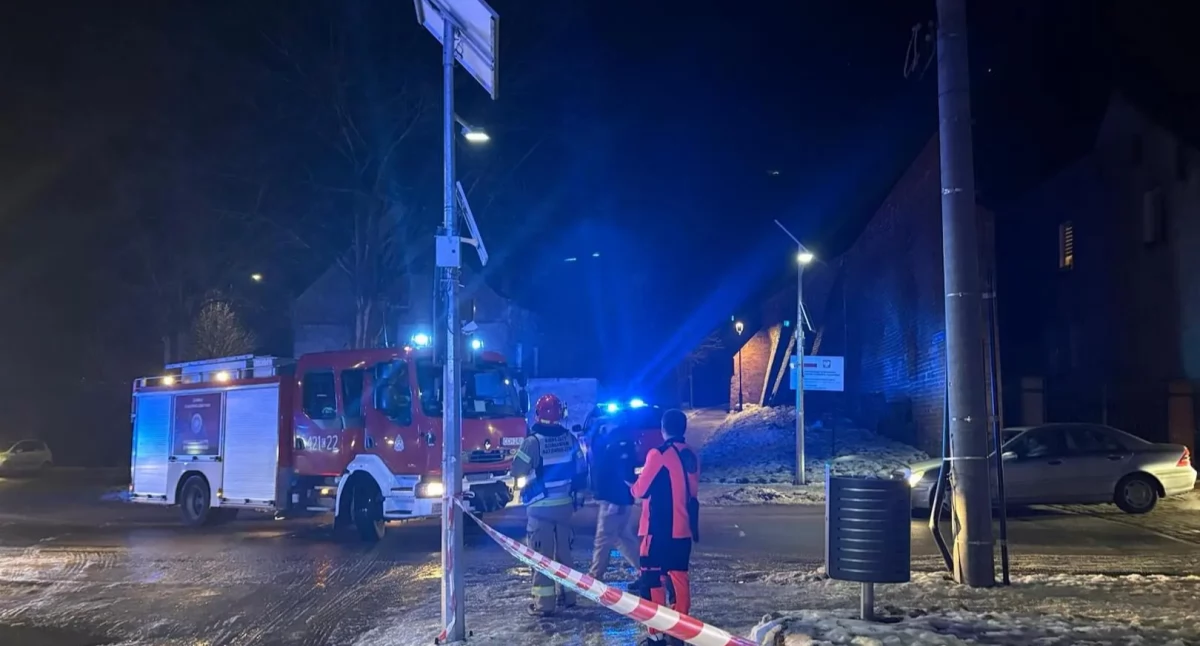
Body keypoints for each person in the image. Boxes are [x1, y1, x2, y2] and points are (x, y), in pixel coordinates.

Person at [512, 393, 586, 617]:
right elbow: (581, 469)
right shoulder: (570, 438)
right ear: (560, 413)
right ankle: (569, 597)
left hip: (540, 508)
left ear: (538, 414)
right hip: (565, 506)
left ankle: (544, 604)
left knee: (542, 558)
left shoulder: (532, 442)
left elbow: (517, 470)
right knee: (564, 553)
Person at [630, 408, 699, 646]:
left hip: (658, 530)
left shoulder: (658, 454)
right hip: (683, 529)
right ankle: (680, 633)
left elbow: (641, 489)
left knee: (651, 583)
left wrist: (632, 485)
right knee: (679, 581)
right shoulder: (690, 454)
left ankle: (656, 636)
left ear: (663, 428)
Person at [587, 420, 641, 581]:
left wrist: (616, 502)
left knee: (603, 539)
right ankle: (645, 569)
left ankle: (595, 576)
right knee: (623, 537)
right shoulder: (620, 444)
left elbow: (622, 476)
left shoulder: (616, 447)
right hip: (618, 500)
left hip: (613, 502)